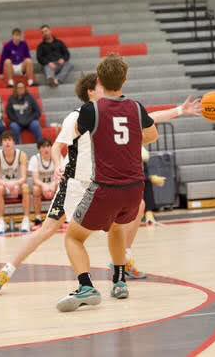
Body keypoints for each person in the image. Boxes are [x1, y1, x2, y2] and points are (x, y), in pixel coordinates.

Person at [0, 72, 201, 296]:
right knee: (47, 230)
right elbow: (58, 146)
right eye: (100, 85)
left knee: (134, 212)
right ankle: (6, 271)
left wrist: (179, 111)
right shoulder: (77, 117)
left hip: (98, 184)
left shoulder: (112, 112)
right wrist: (58, 165)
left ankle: (121, 264)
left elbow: (148, 118)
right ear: (91, 91)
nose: (106, 88)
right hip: (74, 184)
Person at [55, 55, 159, 312]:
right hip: (135, 188)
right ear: (125, 79)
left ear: (99, 81)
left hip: (105, 188)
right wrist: (126, 141)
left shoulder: (92, 110)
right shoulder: (136, 107)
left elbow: (77, 133)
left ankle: (86, 286)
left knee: (73, 238)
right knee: (116, 229)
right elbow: (152, 135)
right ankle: (120, 281)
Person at [0, 131, 31, 233]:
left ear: (14, 142)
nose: (7, 143)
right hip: (4, 186)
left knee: (26, 187)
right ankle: (1, 222)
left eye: (9, 140)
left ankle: (26, 220)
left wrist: (16, 184)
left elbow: (23, 177)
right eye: (5, 140)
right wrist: (8, 184)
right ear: (1, 143)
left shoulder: (22, 155)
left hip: (18, 185)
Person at [28, 139, 57, 225]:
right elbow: (35, 179)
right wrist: (44, 185)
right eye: (43, 147)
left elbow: (60, 175)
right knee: (35, 189)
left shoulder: (56, 157)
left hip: (54, 185)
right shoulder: (35, 158)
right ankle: (38, 217)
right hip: (41, 186)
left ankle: (57, 216)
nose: (46, 149)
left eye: (48, 146)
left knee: (61, 187)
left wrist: (53, 184)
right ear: (39, 149)